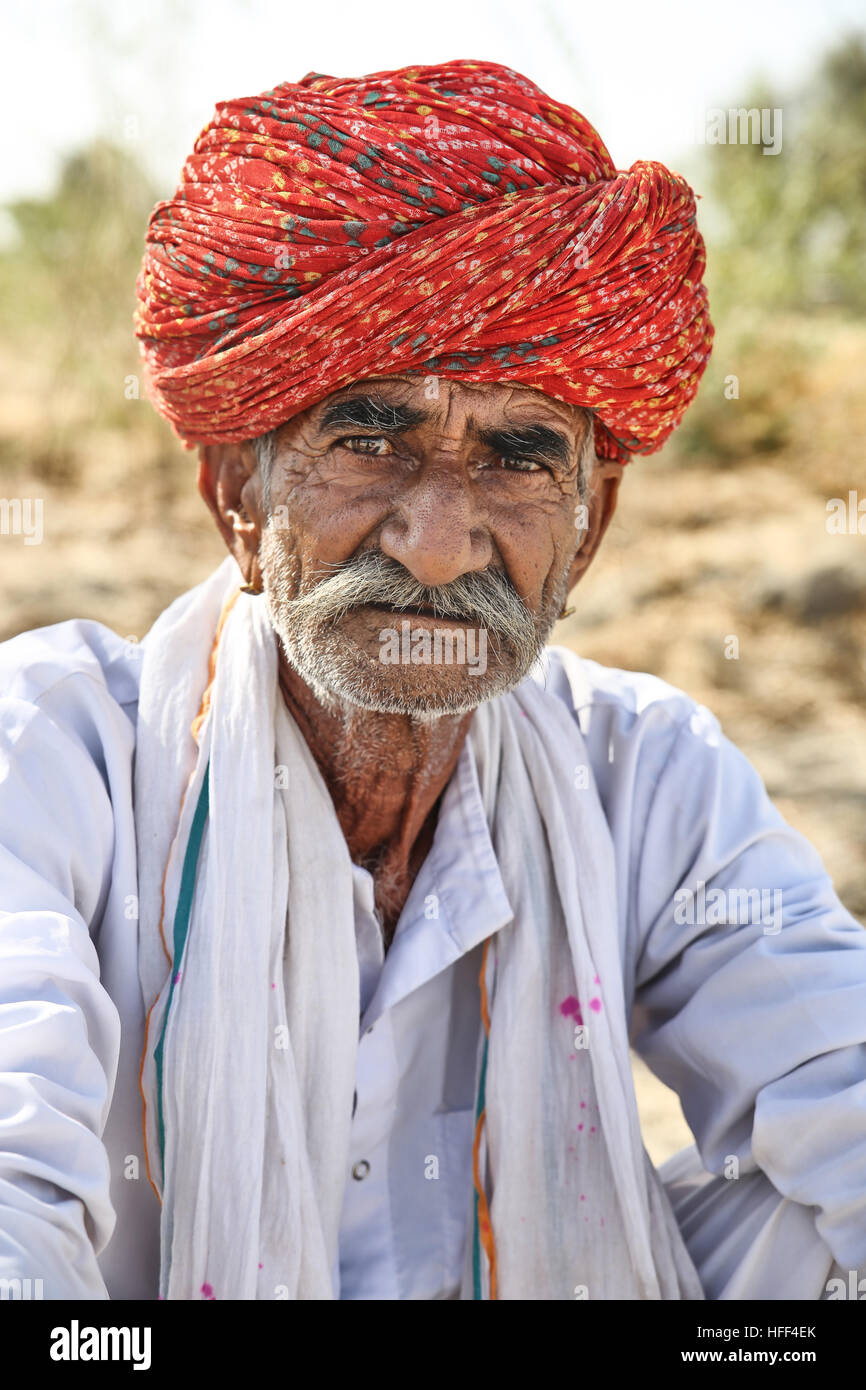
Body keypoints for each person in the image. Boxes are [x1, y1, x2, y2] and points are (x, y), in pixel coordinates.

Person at [0, 59, 863, 1302]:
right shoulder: (59, 752)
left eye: (518, 458)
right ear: (235, 497)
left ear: (589, 527)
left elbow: (835, 1067)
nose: (440, 540)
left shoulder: (644, 772)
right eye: (367, 438)